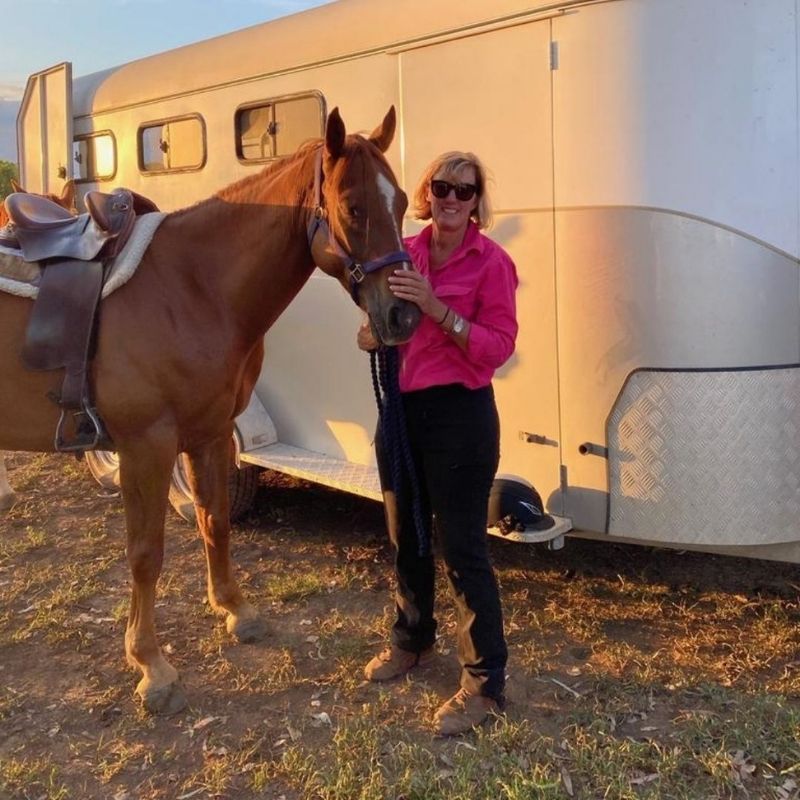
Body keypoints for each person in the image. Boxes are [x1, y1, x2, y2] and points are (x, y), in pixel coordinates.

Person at [358, 151, 518, 736]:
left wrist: (434, 307)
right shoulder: (407, 250)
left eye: (464, 191)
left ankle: (483, 684)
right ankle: (413, 640)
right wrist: (374, 329)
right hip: (403, 412)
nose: (451, 200)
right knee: (406, 537)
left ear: (477, 202)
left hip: (461, 416)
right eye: (442, 188)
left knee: (462, 548)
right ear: (427, 193)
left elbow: (497, 347)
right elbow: (381, 318)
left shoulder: (492, 262)